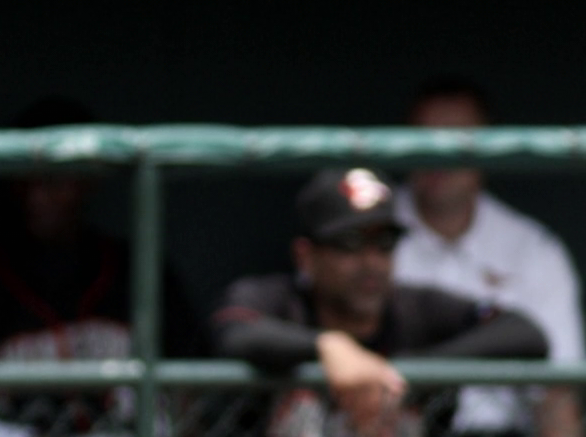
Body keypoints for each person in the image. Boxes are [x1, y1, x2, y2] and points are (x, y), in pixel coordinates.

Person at [209, 167, 550, 437]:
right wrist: (328, 346)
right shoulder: (279, 300)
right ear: (306, 257)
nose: (371, 261)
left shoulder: (417, 307)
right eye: (350, 243)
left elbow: (526, 333)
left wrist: (404, 372)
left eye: (385, 243)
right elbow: (232, 329)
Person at [0, 95, 204, 437]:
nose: (35, 196)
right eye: (24, 180)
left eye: (52, 180)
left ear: (87, 180)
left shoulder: (134, 269)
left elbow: (190, 386)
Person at [393, 75, 585, 437]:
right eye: (424, 138)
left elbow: (557, 396)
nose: (438, 155)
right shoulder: (365, 240)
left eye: (457, 140)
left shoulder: (533, 250)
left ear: (489, 147)